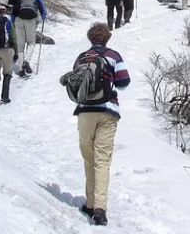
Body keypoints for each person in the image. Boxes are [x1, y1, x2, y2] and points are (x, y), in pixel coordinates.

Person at [60, 23, 130, 226]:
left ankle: (90, 203)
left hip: (85, 111)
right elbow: (124, 82)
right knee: (102, 160)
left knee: (89, 158)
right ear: (107, 38)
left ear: (90, 38)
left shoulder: (82, 57)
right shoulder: (114, 56)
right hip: (108, 111)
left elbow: (76, 81)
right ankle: (100, 208)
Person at [10, 0, 46, 76]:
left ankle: (21, 68)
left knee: (20, 45)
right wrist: (43, 17)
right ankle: (26, 61)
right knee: (31, 43)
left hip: (19, 20)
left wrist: (13, 23)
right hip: (30, 20)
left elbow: (13, 11)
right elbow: (42, 8)